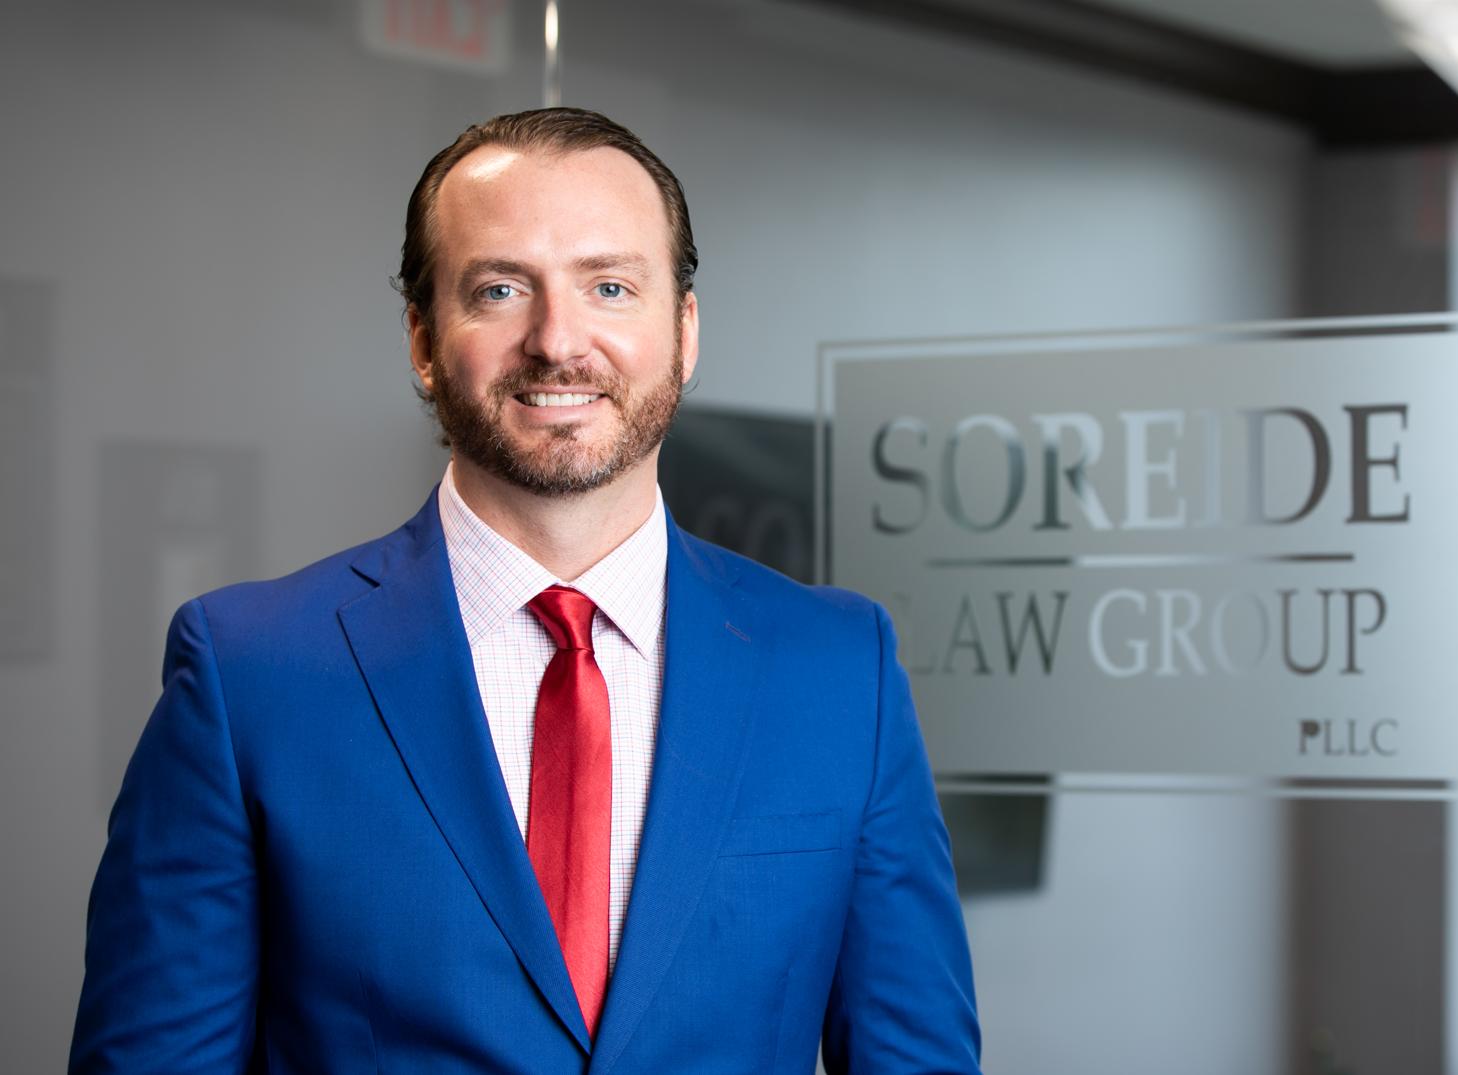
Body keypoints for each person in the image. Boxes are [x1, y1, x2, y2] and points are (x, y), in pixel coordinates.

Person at [70, 107, 981, 1074]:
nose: (557, 340)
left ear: (683, 331)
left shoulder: (839, 670)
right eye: (500, 289)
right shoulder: (249, 672)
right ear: (423, 339)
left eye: (610, 286)